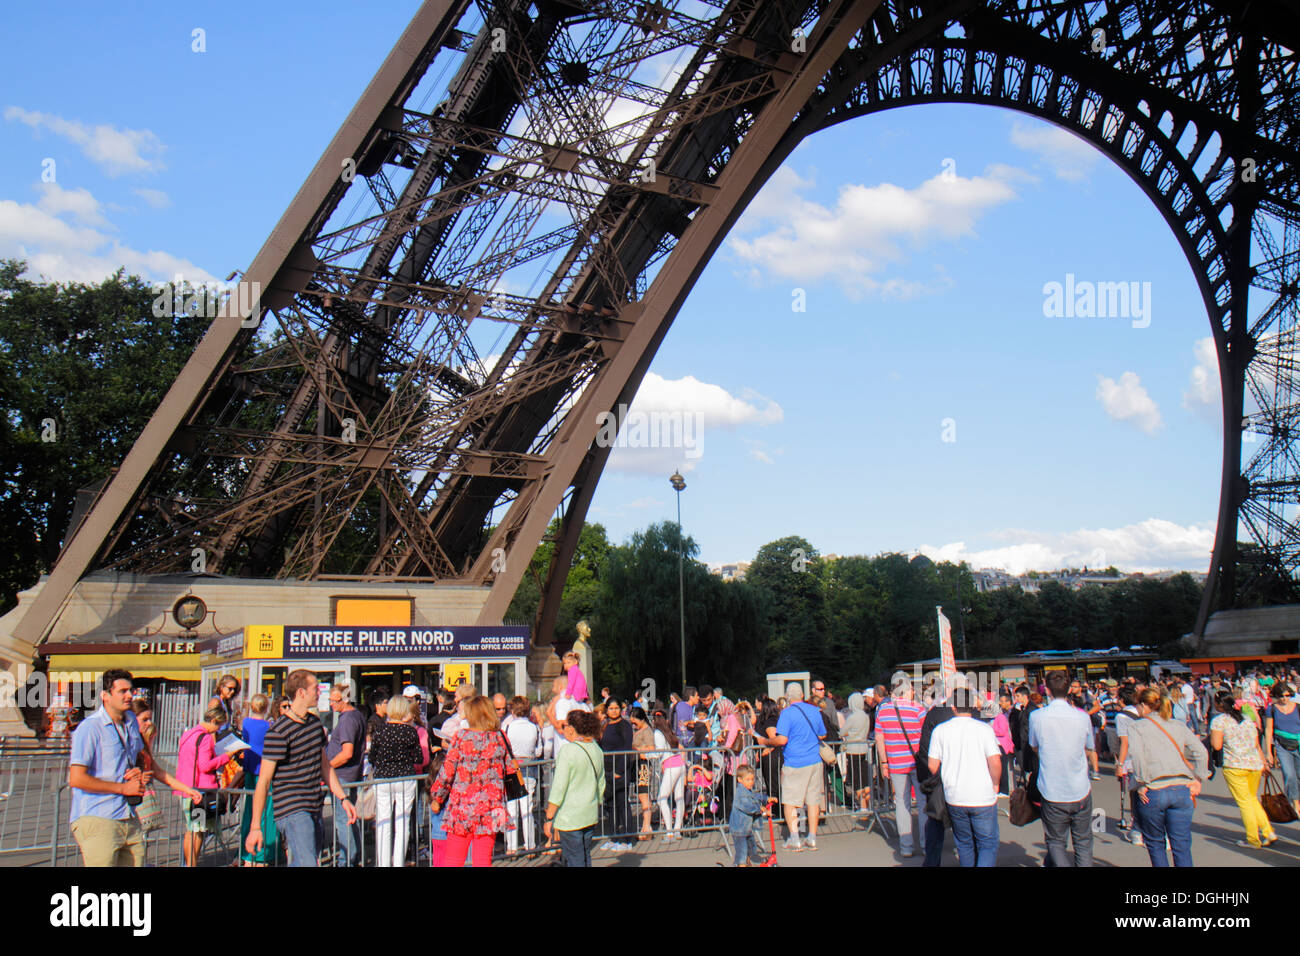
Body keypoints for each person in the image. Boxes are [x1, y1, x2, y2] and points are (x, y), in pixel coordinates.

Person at [68, 670, 198, 867]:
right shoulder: (90, 728)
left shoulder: (130, 722)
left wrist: (185, 788)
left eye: (131, 691)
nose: (129, 695)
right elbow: (77, 779)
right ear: (105, 696)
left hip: (128, 815)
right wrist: (122, 788)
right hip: (98, 816)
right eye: (122, 691)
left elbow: (146, 762)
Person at [245, 670, 357, 867]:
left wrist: (343, 798)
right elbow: (263, 781)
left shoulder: (314, 725)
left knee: (302, 861)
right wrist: (256, 826)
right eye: (315, 688)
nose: (319, 693)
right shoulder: (278, 732)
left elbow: (325, 766)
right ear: (301, 692)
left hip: (313, 804)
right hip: (292, 808)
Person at [1126, 687, 1210, 867]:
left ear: (1143, 705)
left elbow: (1138, 758)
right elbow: (1201, 752)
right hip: (1182, 788)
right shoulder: (1177, 725)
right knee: (1181, 845)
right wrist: (1199, 778)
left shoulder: (1137, 727)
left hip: (1154, 789)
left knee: (1156, 843)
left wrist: (1141, 783)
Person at [430, 694, 516, 867]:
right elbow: (510, 769)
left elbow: (447, 772)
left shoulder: (461, 737)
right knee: (483, 860)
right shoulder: (500, 737)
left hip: (462, 807)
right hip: (490, 807)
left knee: (453, 860)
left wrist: (437, 797)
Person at [1028, 669, 1097, 867]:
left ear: (1047, 690)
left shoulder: (1037, 716)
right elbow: (1090, 746)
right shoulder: (1082, 717)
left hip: (1052, 790)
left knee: (1056, 842)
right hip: (1080, 788)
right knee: (1083, 841)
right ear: (1069, 690)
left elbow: (1034, 745)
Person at [927, 688, 1002, 867]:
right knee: (987, 844)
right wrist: (996, 783)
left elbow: (932, 765)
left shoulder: (941, 730)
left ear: (952, 706)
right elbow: (995, 762)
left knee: (964, 844)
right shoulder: (984, 729)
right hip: (982, 795)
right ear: (973, 705)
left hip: (954, 794)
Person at [1210, 690, 1277, 849]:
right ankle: (1268, 831)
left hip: (1234, 765)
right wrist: (1263, 762)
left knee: (1244, 802)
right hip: (1254, 764)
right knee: (1252, 799)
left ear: (1219, 704)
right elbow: (1256, 744)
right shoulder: (1246, 719)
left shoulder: (1219, 721)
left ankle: (1253, 839)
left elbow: (1217, 745)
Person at [769, 682, 827, 851]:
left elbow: (782, 740)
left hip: (795, 761)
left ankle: (795, 838)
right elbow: (822, 733)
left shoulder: (786, 714)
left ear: (787, 697)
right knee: (813, 801)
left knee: (790, 801)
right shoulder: (815, 711)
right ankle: (812, 837)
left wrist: (766, 741)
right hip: (814, 760)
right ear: (802, 695)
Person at [544, 709, 606, 866]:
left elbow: (559, 787)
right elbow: (601, 784)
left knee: (574, 859)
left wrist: (549, 816)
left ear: (571, 728)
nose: (562, 728)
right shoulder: (596, 749)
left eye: (564, 725)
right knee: (584, 855)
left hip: (570, 817)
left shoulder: (567, 751)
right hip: (589, 813)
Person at [875, 675, 927, 858]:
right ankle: (926, 844)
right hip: (918, 763)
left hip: (896, 763)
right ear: (907, 690)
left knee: (902, 804)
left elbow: (879, 738)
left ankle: (906, 846)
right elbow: (927, 736)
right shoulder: (919, 710)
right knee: (922, 803)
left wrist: (884, 763)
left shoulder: (883, 712)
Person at [370, 694, 422, 866]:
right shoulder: (410, 732)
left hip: (383, 778)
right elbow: (419, 758)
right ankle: (399, 861)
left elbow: (372, 757)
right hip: (405, 778)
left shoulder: (380, 730)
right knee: (402, 822)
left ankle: (383, 862)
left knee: (383, 822)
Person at [176, 706, 230, 866]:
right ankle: (191, 864)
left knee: (191, 829)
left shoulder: (189, 734)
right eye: (218, 725)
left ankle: (188, 864)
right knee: (197, 832)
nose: (218, 730)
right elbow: (205, 765)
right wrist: (225, 757)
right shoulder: (205, 738)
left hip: (184, 787)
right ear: (213, 721)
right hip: (199, 791)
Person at [326, 682, 366, 866]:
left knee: (344, 821)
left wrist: (327, 768)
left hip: (343, 776)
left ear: (344, 700)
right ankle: (353, 856)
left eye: (333, 701)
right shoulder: (353, 716)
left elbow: (347, 752)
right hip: (347, 775)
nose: (331, 705)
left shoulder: (348, 719)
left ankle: (347, 860)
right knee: (350, 818)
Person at [238, 694, 277, 866]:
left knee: (250, 811)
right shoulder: (269, 726)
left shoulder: (246, 723)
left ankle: (248, 854)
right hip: (265, 771)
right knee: (266, 813)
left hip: (250, 770)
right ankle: (261, 854)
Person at [504, 695, 541, 854]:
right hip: (529, 768)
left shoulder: (508, 727)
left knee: (512, 809)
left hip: (512, 769)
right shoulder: (534, 727)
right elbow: (539, 750)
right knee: (527, 809)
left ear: (513, 710)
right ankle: (530, 845)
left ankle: (511, 848)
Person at [598, 696, 635, 849]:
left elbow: (626, 747)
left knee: (622, 803)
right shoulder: (605, 725)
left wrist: (619, 771)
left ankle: (627, 839)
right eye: (611, 708)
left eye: (616, 708)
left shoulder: (625, 725)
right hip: (607, 769)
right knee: (611, 804)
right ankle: (614, 837)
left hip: (620, 769)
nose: (614, 711)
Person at [1112, 685, 1144, 846]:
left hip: (1131, 760)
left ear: (1123, 700)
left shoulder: (1121, 717)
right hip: (1148, 758)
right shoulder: (1143, 712)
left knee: (1134, 794)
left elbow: (1124, 742)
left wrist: (1120, 764)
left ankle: (1137, 829)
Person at [1264, 682, 1300, 820]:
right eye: (1281, 696)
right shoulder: (1272, 709)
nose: (1284, 699)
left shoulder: (1297, 707)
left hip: (1298, 743)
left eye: (1286, 695)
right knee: (1289, 774)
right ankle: (1296, 804)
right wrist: (1268, 752)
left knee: (1299, 775)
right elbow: (1268, 730)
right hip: (1282, 745)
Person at [653, 713, 686, 840]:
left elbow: (659, 751)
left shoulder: (657, 733)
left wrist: (646, 754)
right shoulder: (669, 732)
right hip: (680, 764)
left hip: (671, 766)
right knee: (679, 798)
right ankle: (677, 829)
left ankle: (669, 831)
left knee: (661, 799)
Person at [729, 765, 767, 866]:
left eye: (752, 779)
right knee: (742, 852)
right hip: (739, 829)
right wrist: (760, 809)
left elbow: (754, 796)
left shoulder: (747, 790)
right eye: (748, 780)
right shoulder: (741, 793)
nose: (751, 782)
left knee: (751, 849)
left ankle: (748, 862)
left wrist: (766, 799)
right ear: (740, 780)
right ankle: (741, 864)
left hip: (747, 828)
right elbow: (748, 807)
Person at [628, 706, 656, 840]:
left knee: (644, 795)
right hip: (637, 765)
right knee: (641, 795)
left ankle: (647, 826)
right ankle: (646, 826)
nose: (633, 725)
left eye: (635, 722)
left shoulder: (647, 732)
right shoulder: (640, 731)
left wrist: (637, 749)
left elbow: (651, 749)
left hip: (643, 766)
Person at [842, 692, 872, 813]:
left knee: (857, 779)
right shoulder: (866, 716)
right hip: (864, 748)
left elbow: (843, 731)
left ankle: (862, 806)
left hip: (853, 750)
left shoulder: (852, 717)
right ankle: (867, 805)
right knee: (864, 779)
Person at [424, 748, 449, 865]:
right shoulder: (446, 792)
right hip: (446, 835)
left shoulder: (432, 790)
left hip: (436, 833)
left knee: (438, 861)